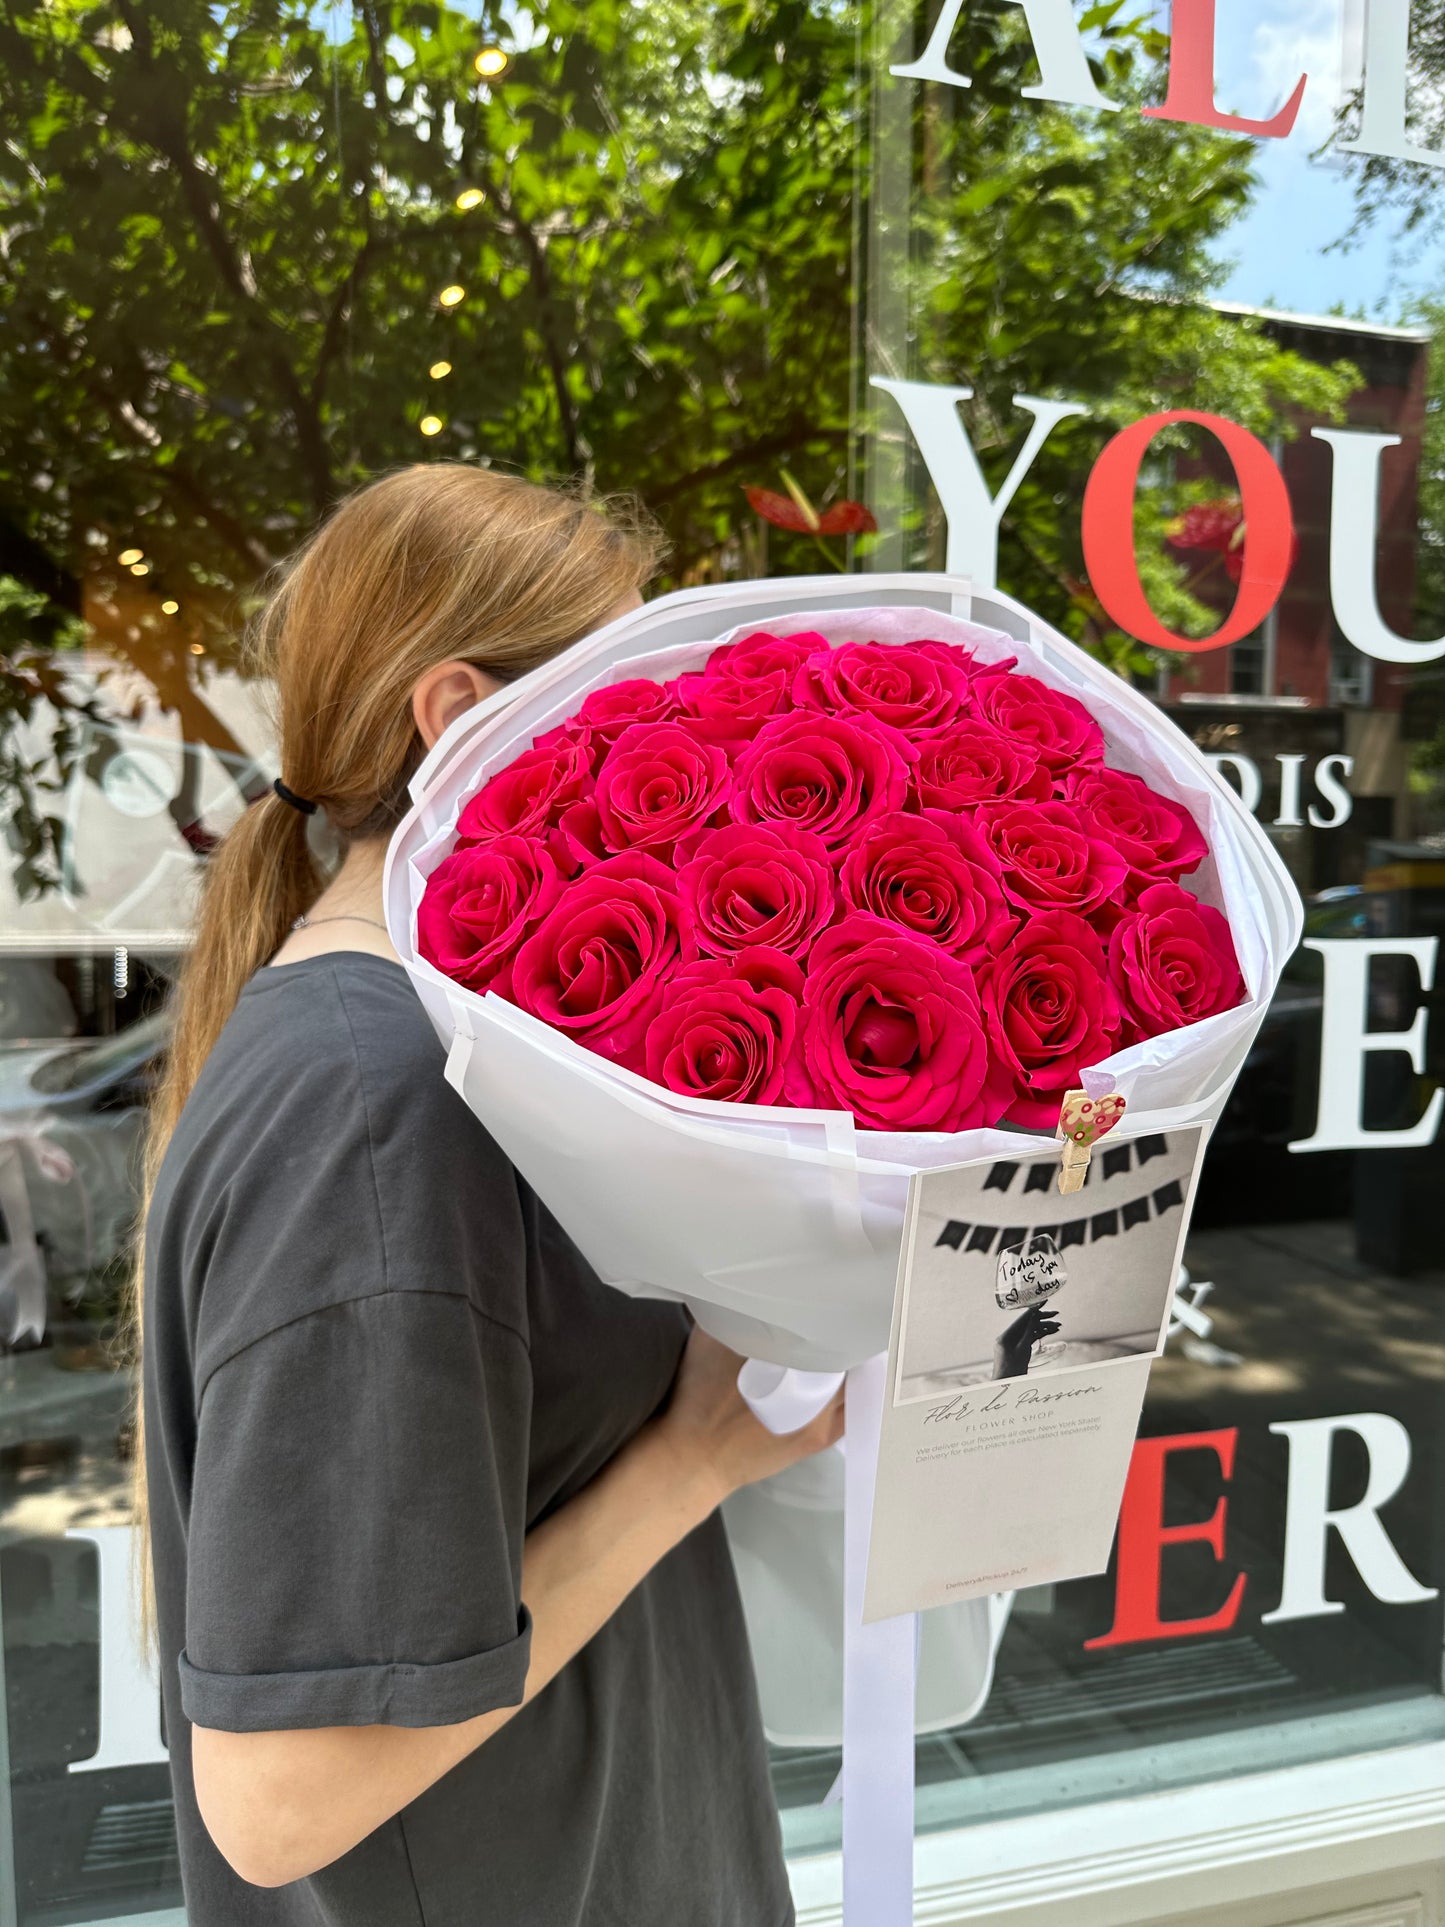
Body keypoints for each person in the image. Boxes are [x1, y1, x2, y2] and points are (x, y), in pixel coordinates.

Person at [136, 465, 843, 1926]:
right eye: (637, 704)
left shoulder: (445, 1064)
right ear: (459, 716)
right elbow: (282, 1801)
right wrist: (692, 1462)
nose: (688, 759)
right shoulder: (378, 1112)